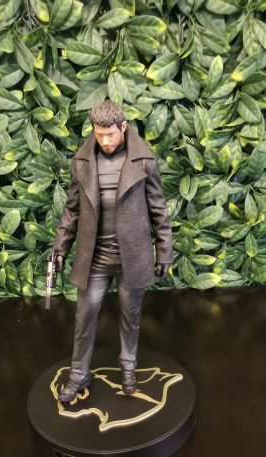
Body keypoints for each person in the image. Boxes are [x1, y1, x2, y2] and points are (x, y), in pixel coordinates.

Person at [50, 100, 173, 403]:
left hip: (133, 256)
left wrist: (164, 251)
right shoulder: (82, 162)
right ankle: (79, 375)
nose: (105, 141)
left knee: (130, 317)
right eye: (99, 134)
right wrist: (60, 247)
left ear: (123, 127)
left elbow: (158, 210)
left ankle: (128, 369)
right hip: (95, 256)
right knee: (84, 317)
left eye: (110, 135)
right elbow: (72, 210)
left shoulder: (144, 161)